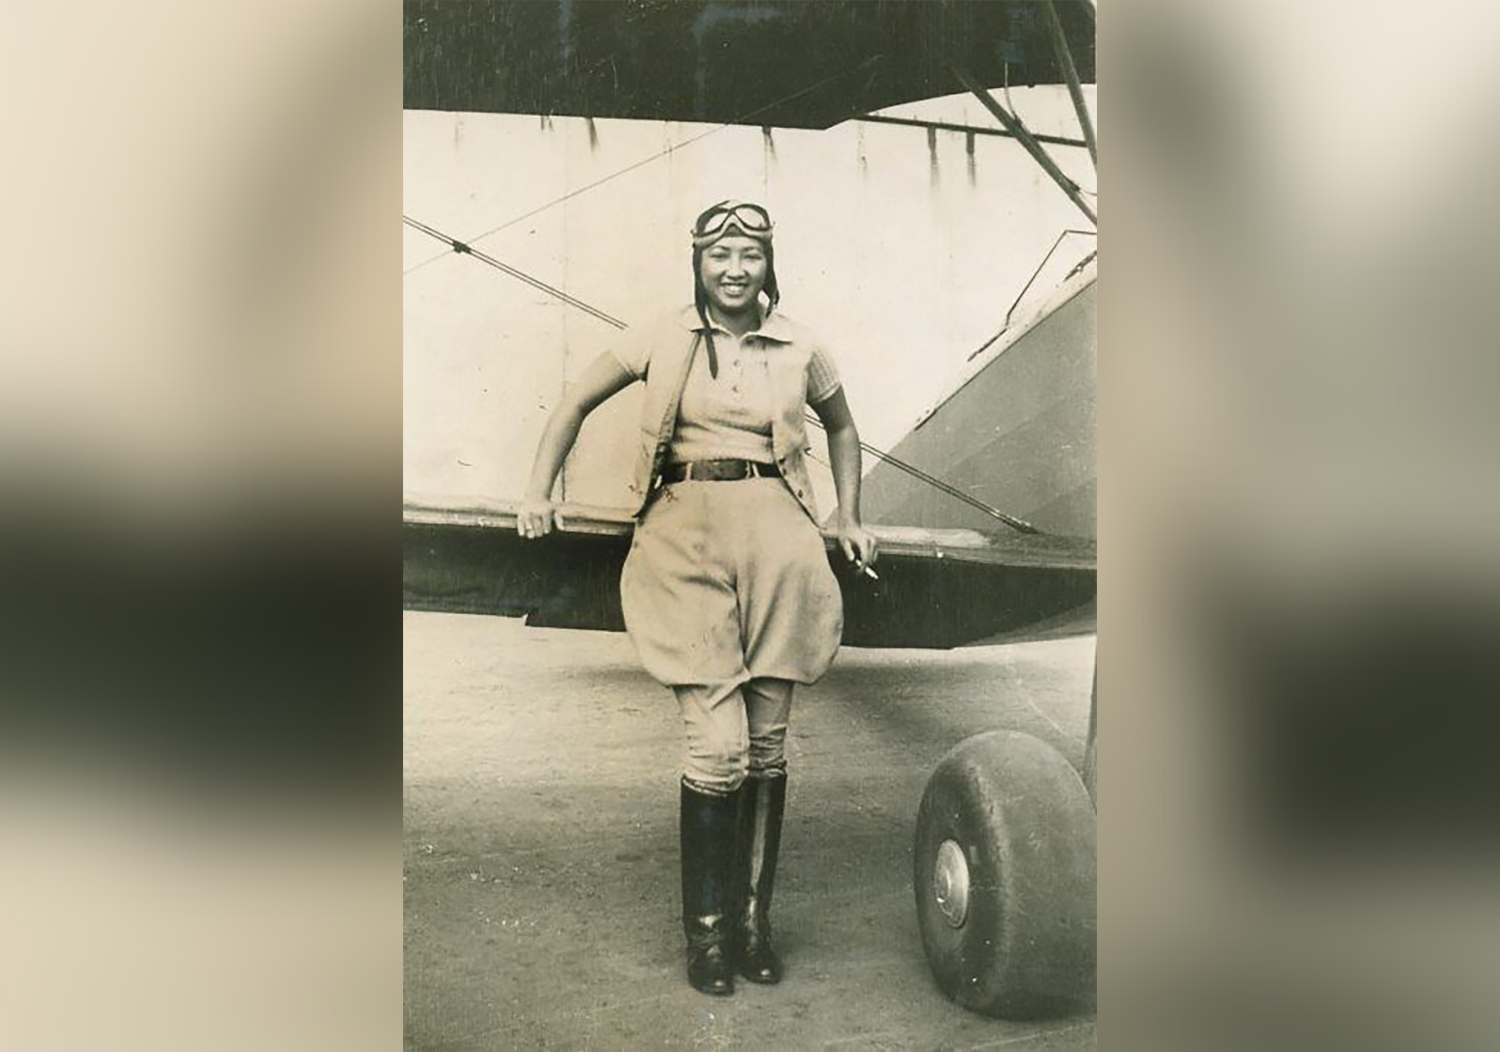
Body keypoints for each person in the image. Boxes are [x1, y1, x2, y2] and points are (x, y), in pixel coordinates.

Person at [517, 200, 877, 996]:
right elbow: (576, 400)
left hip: (780, 544)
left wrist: (847, 513)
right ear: (699, 264)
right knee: (717, 753)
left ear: (768, 263)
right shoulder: (662, 335)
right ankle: (706, 938)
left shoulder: (802, 344)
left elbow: (843, 428)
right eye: (719, 255)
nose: (734, 268)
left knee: (769, 747)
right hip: (684, 541)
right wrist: (538, 491)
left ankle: (754, 929)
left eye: (749, 253)